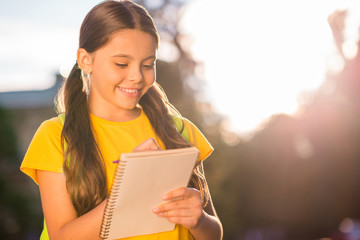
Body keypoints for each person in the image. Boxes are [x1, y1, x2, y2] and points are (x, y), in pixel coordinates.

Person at [20, 0, 223, 239]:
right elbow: (62, 235)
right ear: (86, 60)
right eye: (121, 64)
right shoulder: (56, 135)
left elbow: (214, 233)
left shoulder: (179, 130)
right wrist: (128, 190)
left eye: (148, 64)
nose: (136, 76)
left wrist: (198, 220)